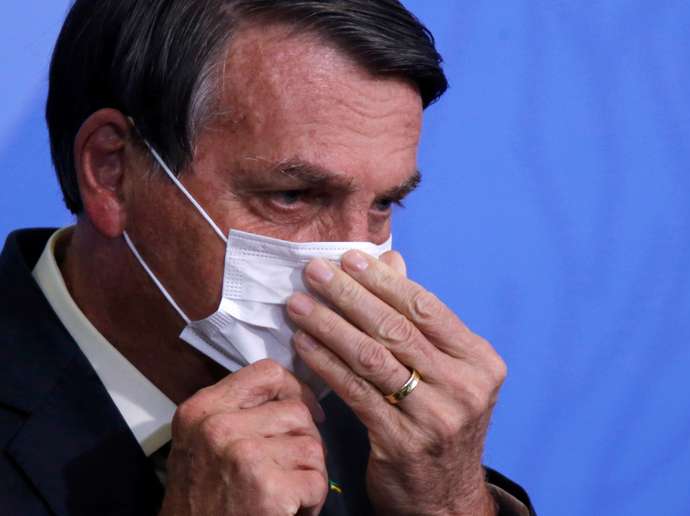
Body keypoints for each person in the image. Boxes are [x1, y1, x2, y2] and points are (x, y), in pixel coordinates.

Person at [0, 1, 535, 515]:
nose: (355, 267)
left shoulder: (397, 438)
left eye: (383, 204)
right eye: (292, 196)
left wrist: (450, 504)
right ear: (112, 172)